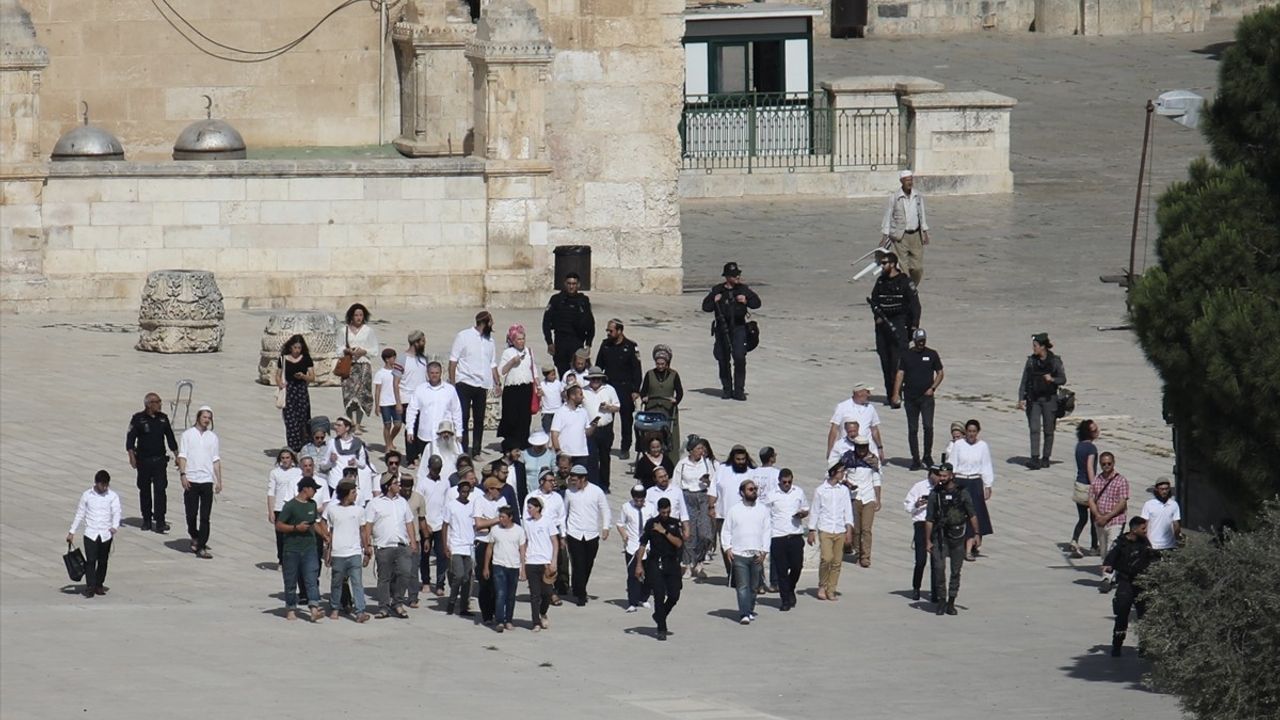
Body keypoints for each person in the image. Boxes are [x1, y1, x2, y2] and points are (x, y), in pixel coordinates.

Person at [701, 261, 762, 401]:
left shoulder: (743, 289)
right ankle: (727, 389)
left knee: (739, 357)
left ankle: (739, 390)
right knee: (723, 359)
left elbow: (757, 303)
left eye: (738, 275)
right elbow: (706, 307)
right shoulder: (718, 290)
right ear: (727, 277)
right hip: (722, 329)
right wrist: (714, 300)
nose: (737, 277)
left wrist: (746, 301)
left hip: (739, 327)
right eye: (734, 275)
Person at [925, 464, 979, 615]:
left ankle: (951, 602)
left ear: (951, 475)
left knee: (956, 570)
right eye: (940, 475)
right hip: (940, 536)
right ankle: (941, 600)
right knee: (939, 568)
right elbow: (929, 518)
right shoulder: (935, 494)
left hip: (957, 536)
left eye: (944, 475)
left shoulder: (962, 493)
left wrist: (976, 533)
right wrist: (928, 540)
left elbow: (972, 514)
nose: (942, 478)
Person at [870, 252, 921, 408]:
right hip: (882, 326)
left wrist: (913, 326)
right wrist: (877, 317)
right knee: (885, 361)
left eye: (884, 263)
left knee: (897, 362)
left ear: (892, 264)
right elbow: (875, 301)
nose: (882, 266)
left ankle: (897, 394)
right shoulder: (880, 282)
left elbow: (915, 306)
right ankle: (889, 394)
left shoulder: (905, 282)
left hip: (899, 324)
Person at [274, 476, 328, 621]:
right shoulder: (291, 506)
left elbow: (314, 523)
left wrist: (324, 535)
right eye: (314, 489)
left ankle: (314, 609)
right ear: (305, 489)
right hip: (292, 549)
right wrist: (296, 528)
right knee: (290, 580)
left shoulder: (312, 504)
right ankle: (291, 608)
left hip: (309, 547)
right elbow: (279, 525)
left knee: (311, 578)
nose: (315, 492)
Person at [364, 474, 417, 618]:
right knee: (384, 578)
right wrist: (367, 543)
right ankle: (383, 606)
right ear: (388, 486)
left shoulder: (402, 502)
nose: (399, 486)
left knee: (405, 573)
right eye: (396, 483)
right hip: (383, 546)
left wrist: (413, 541)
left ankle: (397, 602)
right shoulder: (375, 503)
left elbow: (409, 522)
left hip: (401, 545)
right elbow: (368, 524)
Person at [450, 311, 500, 458]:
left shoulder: (490, 341)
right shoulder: (463, 336)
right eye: (491, 322)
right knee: (463, 417)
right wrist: (453, 385)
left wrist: (497, 383)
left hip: (482, 385)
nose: (493, 324)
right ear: (484, 322)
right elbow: (453, 361)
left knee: (479, 420)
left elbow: (492, 363)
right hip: (464, 382)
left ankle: (476, 451)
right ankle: (463, 450)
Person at [126, 392, 178, 534]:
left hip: (159, 461)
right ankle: (147, 519)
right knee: (144, 490)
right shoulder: (138, 419)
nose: (160, 404)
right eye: (157, 402)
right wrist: (131, 456)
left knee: (160, 490)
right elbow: (130, 439)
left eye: (160, 401)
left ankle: (160, 521)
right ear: (149, 404)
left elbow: (170, 438)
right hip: (143, 461)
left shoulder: (163, 419)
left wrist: (177, 455)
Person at [892, 328, 944, 470]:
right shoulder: (906, 355)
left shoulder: (932, 354)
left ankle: (927, 455)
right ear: (914, 341)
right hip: (910, 397)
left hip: (926, 398)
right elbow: (900, 374)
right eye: (919, 341)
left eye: (923, 341)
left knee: (928, 426)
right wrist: (896, 393)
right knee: (913, 429)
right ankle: (915, 459)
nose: (921, 343)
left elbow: (940, 372)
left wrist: (933, 388)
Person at [1103, 517, 1154, 656]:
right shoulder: (1121, 543)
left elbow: (1152, 556)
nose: (1146, 531)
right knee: (1121, 615)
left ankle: (1145, 647)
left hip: (1141, 583)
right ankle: (1117, 645)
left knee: (1144, 616)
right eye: (1143, 528)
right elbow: (1111, 556)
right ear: (1134, 529)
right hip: (1125, 583)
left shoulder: (1145, 542)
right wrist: (1109, 566)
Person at [321, 482, 372, 622]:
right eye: (353, 492)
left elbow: (363, 530)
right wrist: (328, 551)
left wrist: (367, 548)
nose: (355, 495)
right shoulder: (332, 510)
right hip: (338, 552)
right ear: (345, 494)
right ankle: (335, 608)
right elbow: (330, 531)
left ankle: (360, 611)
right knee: (337, 583)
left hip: (354, 552)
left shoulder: (359, 510)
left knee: (357, 583)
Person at [66, 470, 121, 598]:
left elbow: (116, 511)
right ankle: (90, 586)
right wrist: (72, 531)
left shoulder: (112, 496)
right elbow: (80, 514)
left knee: (103, 561)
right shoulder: (87, 495)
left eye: (107, 485)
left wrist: (114, 526)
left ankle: (99, 584)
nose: (105, 487)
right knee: (90, 560)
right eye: (103, 485)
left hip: (105, 533)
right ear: (96, 483)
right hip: (91, 532)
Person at [635, 497, 684, 640]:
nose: (666, 515)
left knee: (674, 595)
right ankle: (661, 628)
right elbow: (643, 545)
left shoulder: (674, 524)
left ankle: (659, 615)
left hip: (671, 563)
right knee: (658, 595)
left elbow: (679, 543)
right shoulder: (651, 524)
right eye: (663, 512)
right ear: (659, 511)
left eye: (668, 512)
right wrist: (639, 564)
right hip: (655, 563)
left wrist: (664, 532)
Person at [724, 479, 771, 624]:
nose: (754, 491)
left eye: (755, 489)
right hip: (739, 554)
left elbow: (767, 531)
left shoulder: (763, 509)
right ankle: (743, 613)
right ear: (742, 492)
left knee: (754, 586)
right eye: (750, 489)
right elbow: (726, 530)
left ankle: (749, 609)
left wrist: (764, 551)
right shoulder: (734, 510)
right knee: (742, 586)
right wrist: (727, 548)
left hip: (757, 554)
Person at [1017, 332, 1066, 470]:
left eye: (1036, 346)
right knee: (1034, 428)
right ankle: (1034, 458)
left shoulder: (1055, 361)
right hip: (1034, 400)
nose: (1033, 348)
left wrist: (1052, 379)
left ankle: (1046, 458)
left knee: (1049, 430)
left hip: (1050, 399)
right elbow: (1024, 381)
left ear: (1043, 347)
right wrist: (1021, 398)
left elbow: (1063, 379)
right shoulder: (1031, 362)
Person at [178, 405, 221, 559]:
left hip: (206, 480)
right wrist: (183, 475)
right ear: (198, 417)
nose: (207, 420)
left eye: (209, 418)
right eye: (204, 417)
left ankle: (201, 546)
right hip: (192, 479)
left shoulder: (212, 437)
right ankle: (194, 535)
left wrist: (219, 480)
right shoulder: (188, 435)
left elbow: (215, 460)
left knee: (205, 516)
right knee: (191, 513)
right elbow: (182, 456)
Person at [564, 464, 611, 606]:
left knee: (588, 564)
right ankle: (581, 594)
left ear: (583, 478)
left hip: (591, 534)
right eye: (571, 479)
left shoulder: (596, 491)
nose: (573, 482)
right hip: (574, 533)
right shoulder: (569, 492)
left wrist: (605, 527)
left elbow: (605, 510)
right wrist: (563, 532)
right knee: (578, 564)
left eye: (575, 479)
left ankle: (579, 587)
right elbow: (564, 512)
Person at [808, 461, 855, 601]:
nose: (843, 474)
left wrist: (849, 530)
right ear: (834, 472)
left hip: (839, 529)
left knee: (837, 561)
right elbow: (815, 511)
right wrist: (811, 530)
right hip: (825, 528)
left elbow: (848, 511)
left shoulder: (844, 490)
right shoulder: (821, 490)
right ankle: (822, 585)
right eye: (841, 471)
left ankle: (831, 588)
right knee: (826, 558)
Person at [595, 319, 642, 459]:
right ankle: (605, 445)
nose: (608, 333)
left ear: (620, 331)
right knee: (606, 417)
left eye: (611, 330)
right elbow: (599, 366)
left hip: (625, 388)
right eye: (607, 331)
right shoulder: (605, 345)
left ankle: (625, 447)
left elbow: (637, 370)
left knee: (626, 420)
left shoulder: (631, 347)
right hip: (609, 387)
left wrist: (635, 390)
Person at [949, 419, 995, 560]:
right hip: (961, 481)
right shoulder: (958, 445)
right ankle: (959, 545)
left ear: (977, 432)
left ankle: (970, 548)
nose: (971, 434)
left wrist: (988, 485)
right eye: (969, 431)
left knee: (974, 514)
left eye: (974, 432)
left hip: (975, 482)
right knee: (960, 514)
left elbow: (986, 465)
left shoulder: (982, 446)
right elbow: (952, 463)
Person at [709, 445, 755, 578]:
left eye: (743, 459)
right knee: (726, 545)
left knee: (743, 544)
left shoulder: (752, 472)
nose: (741, 462)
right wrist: (711, 507)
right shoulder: (722, 469)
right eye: (738, 459)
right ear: (732, 459)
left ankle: (744, 572)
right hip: (723, 515)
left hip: (746, 516)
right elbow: (713, 490)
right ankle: (732, 574)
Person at [673, 437, 716, 577]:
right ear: (691, 451)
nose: (701, 451)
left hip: (703, 497)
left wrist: (708, 481)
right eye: (698, 449)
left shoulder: (707, 463)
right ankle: (687, 563)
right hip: (688, 497)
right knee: (690, 533)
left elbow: (714, 483)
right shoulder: (682, 464)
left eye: (702, 449)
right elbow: (676, 485)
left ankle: (699, 560)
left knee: (705, 533)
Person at [405, 361, 464, 461]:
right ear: (427, 373)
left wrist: (459, 431)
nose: (434, 375)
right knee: (427, 463)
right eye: (432, 373)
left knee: (446, 461)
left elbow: (456, 411)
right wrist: (410, 429)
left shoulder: (450, 390)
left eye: (437, 373)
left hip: (445, 434)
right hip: (425, 434)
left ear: (441, 373)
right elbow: (412, 410)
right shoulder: (420, 389)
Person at [767, 469, 808, 611]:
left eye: (789, 482)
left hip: (795, 535)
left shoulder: (798, 492)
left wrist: (802, 514)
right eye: (784, 482)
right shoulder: (771, 495)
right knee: (781, 570)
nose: (787, 484)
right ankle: (785, 599)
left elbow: (806, 508)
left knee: (797, 566)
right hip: (778, 536)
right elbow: (765, 515)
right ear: (779, 481)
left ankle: (790, 588)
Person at [526, 469, 569, 604]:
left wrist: (562, 536)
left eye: (553, 481)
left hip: (554, 532)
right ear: (541, 482)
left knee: (558, 562)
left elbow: (562, 517)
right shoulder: (532, 496)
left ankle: (556, 588)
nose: (553, 483)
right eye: (550, 481)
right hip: (538, 532)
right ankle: (550, 593)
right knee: (543, 563)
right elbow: (526, 517)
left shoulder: (557, 497)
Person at [880, 168, 930, 285]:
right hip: (900, 236)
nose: (910, 182)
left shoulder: (917, 196)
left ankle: (911, 287)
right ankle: (907, 290)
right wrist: (884, 235)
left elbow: (921, 213)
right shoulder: (895, 197)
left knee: (917, 268)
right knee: (903, 268)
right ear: (901, 181)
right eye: (907, 180)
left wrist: (925, 231)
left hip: (915, 236)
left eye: (911, 180)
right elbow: (888, 216)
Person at [1089, 452, 1130, 593]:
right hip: (1100, 521)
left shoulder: (1121, 481)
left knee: (1112, 547)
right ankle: (1114, 572)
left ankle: (1107, 578)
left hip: (1115, 520)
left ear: (1113, 463)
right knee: (1103, 549)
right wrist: (1098, 515)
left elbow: (1122, 502)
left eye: (1109, 463)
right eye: (1103, 464)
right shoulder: (1097, 480)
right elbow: (1091, 500)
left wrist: (1108, 516)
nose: (1106, 466)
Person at [543, 271, 596, 375]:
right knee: (563, 372)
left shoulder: (583, 301)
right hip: (561, 340)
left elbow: (590, 323)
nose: (571, 286)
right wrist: (549, 342)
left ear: (578, 285)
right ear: (565, 284)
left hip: (577, 340)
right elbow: (546, 322)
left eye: (574, 284)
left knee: (578, 372)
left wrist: (589, 344)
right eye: (569, 283)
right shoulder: (556, 299)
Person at [337, 303, 380, 433]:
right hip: (348, 365)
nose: (358, 317)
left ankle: (358, 425)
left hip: (363, 366)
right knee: (349, 395)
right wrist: (347, 350)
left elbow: (375, 349)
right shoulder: (343, 331)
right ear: (351, 316)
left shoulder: (368, 331)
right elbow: (338, 348)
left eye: (361, 315)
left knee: (362, 395)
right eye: (356, 315)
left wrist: (364, 351)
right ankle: (350, 422)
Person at [473, 476, 510, 624]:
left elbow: (507, 520)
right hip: (482, 543)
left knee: (499, 580)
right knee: (485, 580)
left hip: (499, 543)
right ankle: (487, 614)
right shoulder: (479, 501)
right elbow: (478, 524)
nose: (500, 492)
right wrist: (496, 520)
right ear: (490, 489)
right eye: (497, 489)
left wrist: (489, 521)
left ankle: (498, 611)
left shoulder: (502, 501)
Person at [638, 344, 684, 464]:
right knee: (650, 433)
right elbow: (643, 391)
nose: (660, 366)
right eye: (658, 364)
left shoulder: (674, 375)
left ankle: (671, 461)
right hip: (652, 410)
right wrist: (644, 398)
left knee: (670, 435)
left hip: (668, 410)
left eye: (662, 364)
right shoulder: (650, 374)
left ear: (667, 363)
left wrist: (675, 400)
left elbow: (680, 392)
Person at [483, 507, 526, 632]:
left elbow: (522, 550)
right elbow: (489, 548)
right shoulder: (495, 530)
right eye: (500, 517)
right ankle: (500, 621)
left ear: (510, 517)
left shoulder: (519, 531)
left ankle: (509, 620)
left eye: (503, 517)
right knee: (500, 593)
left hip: (513, 566)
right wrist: (486, 566)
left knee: (511, 595)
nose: (500, 519)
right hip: (498, 565)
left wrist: (523, 569)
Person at [904, 466, 942, 602]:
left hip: (936, 524)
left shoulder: (942, 488)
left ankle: (935, 591)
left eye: (940, 475)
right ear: (930, 474)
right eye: (936, 475)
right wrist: (917, 504)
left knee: (936, 561)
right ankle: (916, 587)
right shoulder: (919, 486)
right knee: (921, 560)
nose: (938, 478)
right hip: (921, 524)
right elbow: (908, 507)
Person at [498, 323, 538, 452]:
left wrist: (537, 385)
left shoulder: (529, 351)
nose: (521, 342)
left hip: (526, 387)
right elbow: (502, 371)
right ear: (512, 340)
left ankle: (523, 441)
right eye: (518, 339)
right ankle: (511, 442)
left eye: (522, 338)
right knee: (511, 416)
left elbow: (533, 368)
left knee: (525, 416)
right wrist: (512, 362)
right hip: (512, 389)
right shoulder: (507, 352)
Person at [844, 437, 883, 568]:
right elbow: (840, 474)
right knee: (856, 529)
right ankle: (857, 552)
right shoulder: (848, 459)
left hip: (868, 498)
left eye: (864, 448)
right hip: (854, 498)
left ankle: (865, 557)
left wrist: (878, 498)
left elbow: (876, 480)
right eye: (859, 448)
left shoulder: (872, 460)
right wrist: (847, 483)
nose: (861, 451)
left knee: (866, 529)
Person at [395, 462, 429, 608]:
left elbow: (422, 519)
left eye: (410, 488)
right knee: (400, 571)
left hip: (415, 539)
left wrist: (426, 538)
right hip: (399, 540)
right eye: (405, 488)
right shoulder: (396, 499)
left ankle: (413, 597)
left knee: (413, 571)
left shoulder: (418, 498)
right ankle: (398, 597)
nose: (407, 491)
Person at [442, 478, 477, 616]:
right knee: (458, 575)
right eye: (463, 491)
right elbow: (445, 525)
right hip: (456, 545)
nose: (465, 494)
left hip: (469, 546)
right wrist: (445, 546)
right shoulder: (451, 506)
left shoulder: (472, 506)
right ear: (458, 491)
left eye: (467, 492)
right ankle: (451, 601)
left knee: (468, 578)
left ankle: (464, 606)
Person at [276, 334, 316, 452]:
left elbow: (312, 377)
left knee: (302, 420)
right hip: (289, 391)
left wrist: (303, 376)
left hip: (301, 391)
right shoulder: (283, 359)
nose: (297, 350)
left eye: (299, 348)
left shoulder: (306, 358)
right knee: (290, 421)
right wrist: (280, 384)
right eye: (295, 348)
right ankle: (293, 447)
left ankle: (303, 446)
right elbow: (277, 375)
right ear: (290, 347)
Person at [523, 496, 558, 631]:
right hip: (531, 561)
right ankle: (535, 622)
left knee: (547, 592)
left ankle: (543, 612)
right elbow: (524, 542)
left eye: (530, 508)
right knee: (534, 594)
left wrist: (553, 561)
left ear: (538, 508)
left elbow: (555, 542)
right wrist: (523, 563)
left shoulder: (547, 522)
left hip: (546, 562)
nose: (528, 510)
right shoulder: (526, 522)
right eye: (528, 508)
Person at [582, 366, 620, 492]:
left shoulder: (609, 389)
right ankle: (593, 484)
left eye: (598, 379)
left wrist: (608, 407)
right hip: (590, 429)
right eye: (593, 379)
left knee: (605, 457)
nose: (596, 381)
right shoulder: (583, 391)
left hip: (605, 428)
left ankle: (604, 484)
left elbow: (617, 407)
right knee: (592, 457)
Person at [826, 383, 886, 463]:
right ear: (859, 393)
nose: (869, 395)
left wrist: (880, 448)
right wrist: (830, 450)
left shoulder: (870, 408)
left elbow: (874, 429)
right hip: (847, 448)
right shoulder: (842, 407)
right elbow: (834, 429)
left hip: (867, 449)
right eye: (867, 392)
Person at [618, 484, 652, 613]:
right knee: (633, 575)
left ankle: (643, 598)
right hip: (632, 545)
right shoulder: (626, 507)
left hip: (648, 546)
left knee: (648, 575)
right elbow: (620, 524)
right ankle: (632, 601)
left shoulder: (650, 507)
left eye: (641, 499)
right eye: (637, 499)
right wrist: (624, 536)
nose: (639, 502)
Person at [551, 384, 597, 478]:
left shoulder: (583, 411)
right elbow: (554, 433)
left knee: (580, 480)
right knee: (563, 481)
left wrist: (593, 426)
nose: (583, 397)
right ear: (572, 396)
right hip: (566, 454)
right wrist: (558, 451)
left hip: (582, 453)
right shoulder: (560, 412)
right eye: (580, 394)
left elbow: (587, 433)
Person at [267, 449, 304, 567]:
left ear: (292, 459)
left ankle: (294, 559)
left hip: (294, 507)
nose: (285, 460)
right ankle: (282, 560)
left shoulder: (298, 472)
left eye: (287, 458)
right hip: (279, 508)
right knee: (280, 536)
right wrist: (271, 511)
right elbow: (271, 492)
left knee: (294, 534)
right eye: (282, 458)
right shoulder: (275, 473)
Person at [1071, 419, 1101, 558]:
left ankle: (1075, 540)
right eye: (1094, 430)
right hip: (1088, 486)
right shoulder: (1091, 449)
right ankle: (1094, 547)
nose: (1097, 432)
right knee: (1094, 518)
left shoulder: (1079, 446)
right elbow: (1090, 467)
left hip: (1079, 484)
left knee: (1082, 518)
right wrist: (1095, 485)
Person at [400, 330, 430, 465]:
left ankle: (418, 454)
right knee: (410, 428)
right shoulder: (402, 359)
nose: (424, 343)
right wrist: (398, 402)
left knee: (421, 427)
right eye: (422, 341)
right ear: (416, 342)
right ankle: (411, 458)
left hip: (422, 400)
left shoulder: (424, 359)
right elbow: (396, 382)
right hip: (406, 399)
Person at [329, 417, 374, 505]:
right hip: (335, 483)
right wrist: (330, 461)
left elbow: (363, 464)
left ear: (347, 428)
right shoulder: (332, 443)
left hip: (349, 484)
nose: (335, 427)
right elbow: (323, 465)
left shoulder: (357, 443)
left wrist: (356, 462)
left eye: (339, 425)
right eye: (335, 425)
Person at [1140, 477, 1182, 556]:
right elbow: (1144, 524)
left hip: (1169, 545)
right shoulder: (1149, 504)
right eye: (1161, 489)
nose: (1164, 491)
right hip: (1153, 545)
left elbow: (1176, 525)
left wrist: (1178, 541)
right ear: (1156, 489)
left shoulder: (1174, 505)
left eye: (1166, 489)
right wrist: (1145, 542)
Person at [372, 347, 403, 454]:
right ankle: (388, 445)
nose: (394, 359)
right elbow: (377, 390)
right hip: (385, 403)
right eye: (392, 358)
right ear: (386, 359)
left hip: (396, 402)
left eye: (395, 357)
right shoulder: (380, 373)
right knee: (387, 425)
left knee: (398, 424)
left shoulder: (398, 372)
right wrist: (377, 406)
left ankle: (390, 440)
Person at [301, 425, 337, 490]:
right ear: (313, 436)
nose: (319, 440)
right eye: (317, 438)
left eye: (322, 438)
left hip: (324, 478)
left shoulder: (328, 448)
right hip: (309, 478)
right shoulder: (306, 448)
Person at [537, 364, 564, 433]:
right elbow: (538, 395)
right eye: (552, 375)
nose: (554, 376)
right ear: (546, 375)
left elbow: (562, 394)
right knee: (547, 432)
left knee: (558, 431)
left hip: (558, 411)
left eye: (554, 374)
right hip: (547, 412)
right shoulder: (542, 385)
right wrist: (539, 394)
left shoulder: (558, 383)